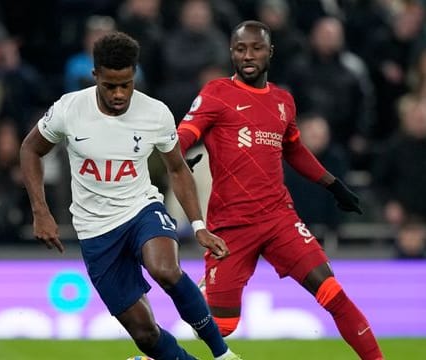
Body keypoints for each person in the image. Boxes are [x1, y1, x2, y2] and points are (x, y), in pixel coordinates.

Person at [20, 31, 241, 360]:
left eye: (126, 84)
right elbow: (30, 149)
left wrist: (198, 225)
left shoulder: (155, 113)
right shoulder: (70, 108)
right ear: (96, 75)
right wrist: (40, 211)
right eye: (110, 86)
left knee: (165, 269)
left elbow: (178, 169)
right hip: (95, 230)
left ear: (134, 74)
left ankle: (223, 354)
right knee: (145, 334)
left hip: (141, 210)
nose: (120, 93)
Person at [178, 21, 384, 360]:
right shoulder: (216, 92)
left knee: (333, 293)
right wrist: (181, 155)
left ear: (269, 52)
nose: (248, 56)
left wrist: (333, 184)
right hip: (231, 225)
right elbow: (183, 135)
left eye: (256, 48)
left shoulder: (283, 101)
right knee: (222, 328)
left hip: (278, 218)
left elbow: (295, 150)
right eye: (240, 49)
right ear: (231, 52)